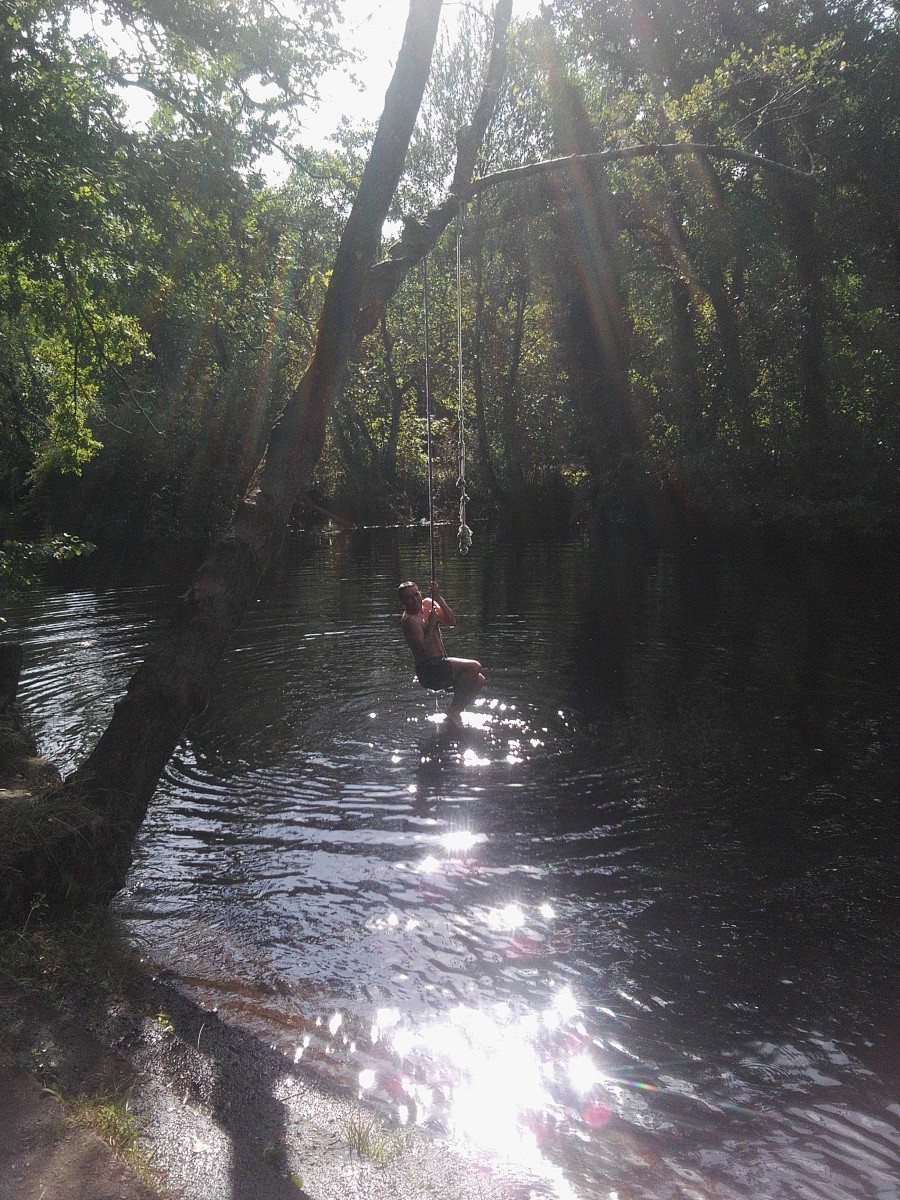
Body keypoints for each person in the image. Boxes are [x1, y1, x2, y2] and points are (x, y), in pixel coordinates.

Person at [398, 579, 484, 729]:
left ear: (420, 593)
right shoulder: (409, 621)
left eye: (416, 594)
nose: (415, 599)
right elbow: (422, 651)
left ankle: (454, 715)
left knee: (479, 680)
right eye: (409, 598)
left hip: (440, 662)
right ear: (403, 603)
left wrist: (437, 598)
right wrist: (431, 625)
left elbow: (451, 622)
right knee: (474, 667)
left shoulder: (428, 604)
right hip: (429, 669)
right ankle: (453, 711)